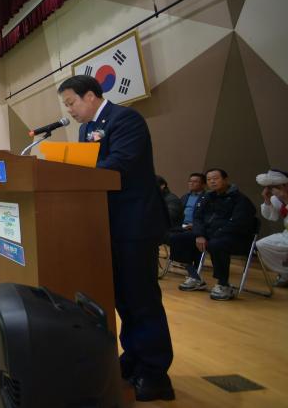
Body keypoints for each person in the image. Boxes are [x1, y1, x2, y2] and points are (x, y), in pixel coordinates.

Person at [58, 74, 174, 402]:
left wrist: (76, 172)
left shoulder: (126, 120)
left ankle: (155, 373)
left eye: (71, 103)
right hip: (107, 224)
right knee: (123, 298)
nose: (70, 111)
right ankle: (135, 358)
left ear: (91, 95)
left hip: (135, 224)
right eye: (66, 106)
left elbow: (118, 165)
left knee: (143, 299)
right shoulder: (84, 130)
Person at [175, 168, 257, 301]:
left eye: (215, 178)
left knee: (216, 245)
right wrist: (199, 234)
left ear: (225, 179)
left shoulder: (240, 199)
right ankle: (194, 276)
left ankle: (223, 284)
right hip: (210, 234)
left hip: (234, 238)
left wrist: (214, 234)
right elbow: (198, 217)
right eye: (209, 179)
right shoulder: (208, 197)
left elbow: (238, 223)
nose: (212, 181)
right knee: (180, 238)